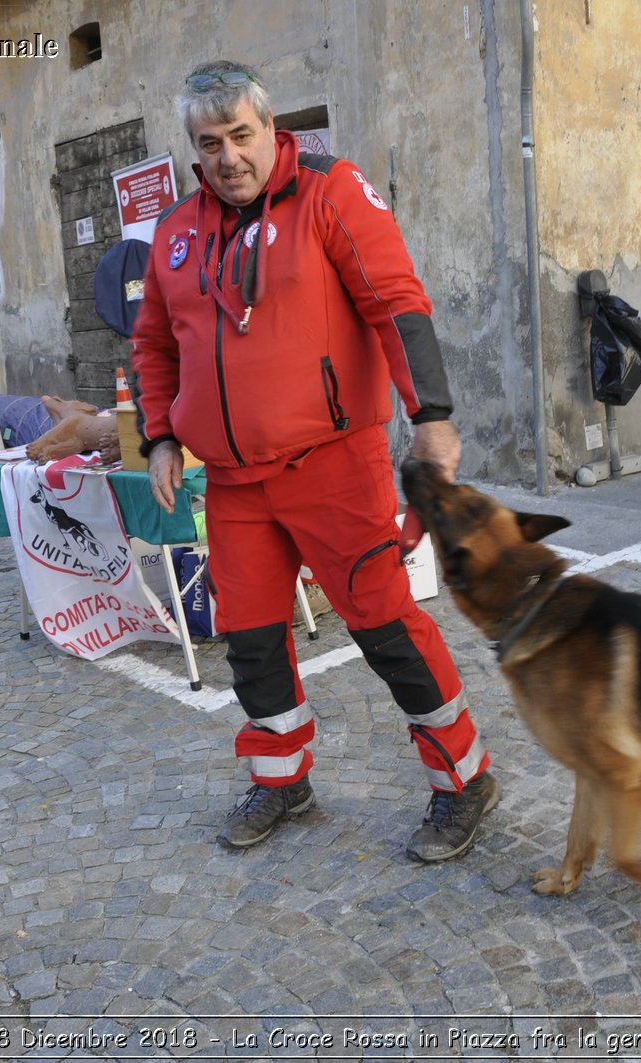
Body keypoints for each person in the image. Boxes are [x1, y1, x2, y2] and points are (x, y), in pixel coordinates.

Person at [131, 60, 499, 861]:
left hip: (335, 465)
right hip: (232, 483)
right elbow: (154, 344)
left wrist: (431, 421)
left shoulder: (332, 192)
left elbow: (398, 303)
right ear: (194, 149)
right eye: (210, 142)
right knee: (253, 639)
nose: (228, 156)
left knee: (386, 627)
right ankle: (281, 776)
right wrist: (160, 434)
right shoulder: (174, 231)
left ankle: (464, 779)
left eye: (241, 135)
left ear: (270, 129)